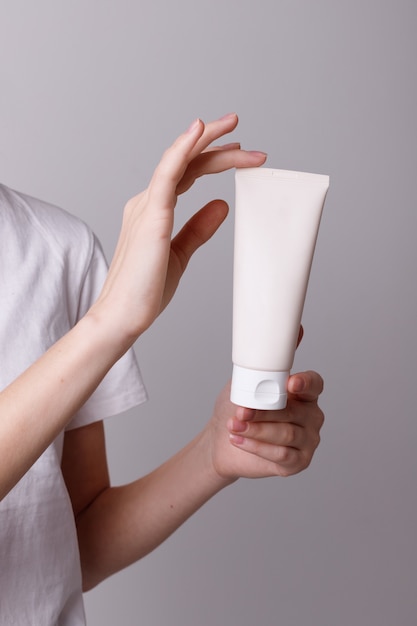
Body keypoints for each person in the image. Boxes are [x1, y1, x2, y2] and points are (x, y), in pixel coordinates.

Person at [0, 113, 324, 624]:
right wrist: (107, 324)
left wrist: (214, 454)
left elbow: (69, 545)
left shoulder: (58, 247)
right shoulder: (101, 314)